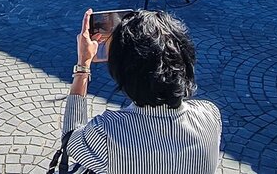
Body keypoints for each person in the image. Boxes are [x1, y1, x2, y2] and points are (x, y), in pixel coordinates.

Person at [63, 9, 221, 173]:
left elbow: (69, 140)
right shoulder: (210, 116)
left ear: (122, 72)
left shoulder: (105, 133)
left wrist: (83, 66)